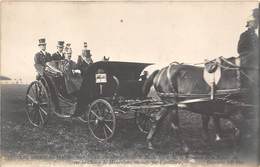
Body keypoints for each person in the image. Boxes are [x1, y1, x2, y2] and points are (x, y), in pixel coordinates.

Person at [237, 16, 259, 88]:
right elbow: (240, 50)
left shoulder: (256, 36)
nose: (256, 24)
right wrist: (253, 54)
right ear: (249, 23)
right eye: (254, 22)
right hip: (248, 63)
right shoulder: (244, 35)